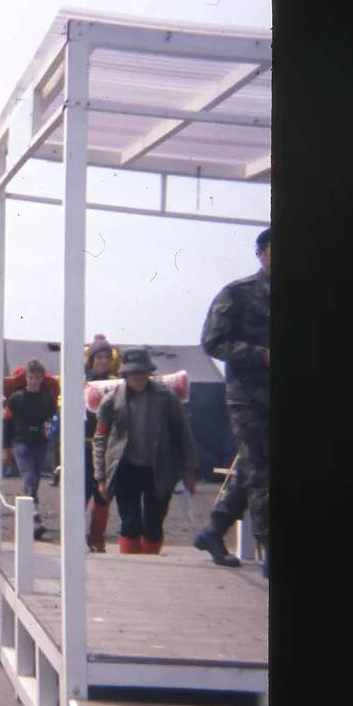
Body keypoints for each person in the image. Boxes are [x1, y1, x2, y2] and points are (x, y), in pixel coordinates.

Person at [194, 227, 271, 575]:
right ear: (261, 252)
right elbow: (212, 342)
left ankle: (213, 531)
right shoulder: (238, 294)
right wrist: (261, 355)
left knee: (253, 469)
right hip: (248, 399)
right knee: (262, 474)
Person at [93, 347, 198, 554]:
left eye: (142, 372)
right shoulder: (112, 400)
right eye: (133, 372)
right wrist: (101, 477)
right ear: (125, 374)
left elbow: (183, 433)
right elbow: (100, 438)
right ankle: (131, 568)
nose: (138, 377)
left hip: (159, 470)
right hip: (125, 469)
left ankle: (151, 564)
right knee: (130, 523)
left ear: (149, 372)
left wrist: (190, 469)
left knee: (153, 525)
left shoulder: (167, 398)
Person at [2, 359, 57, 538]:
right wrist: (5, 448)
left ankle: (33, 517)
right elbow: (7, 424)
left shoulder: (47, 398)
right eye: (31, 377)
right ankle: (33, 517)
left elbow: (52, 419)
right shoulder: (16, 398)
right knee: (29, 476)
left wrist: (49, 428)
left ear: (42, 379)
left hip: (40, 443)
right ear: (26, 377)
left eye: (37, 377)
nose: (34, 381)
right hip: (21, 442)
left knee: (34, 482)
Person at [85, 337, 117, 552]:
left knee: (103, 494)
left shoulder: (117, 384)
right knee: (80, 493)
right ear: (92, 360)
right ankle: (75, 537)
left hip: (107, 447)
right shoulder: (79, 381)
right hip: (83, 445)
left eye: (107, 357)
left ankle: (97, 538)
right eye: (99, 357)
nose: (103, 361)